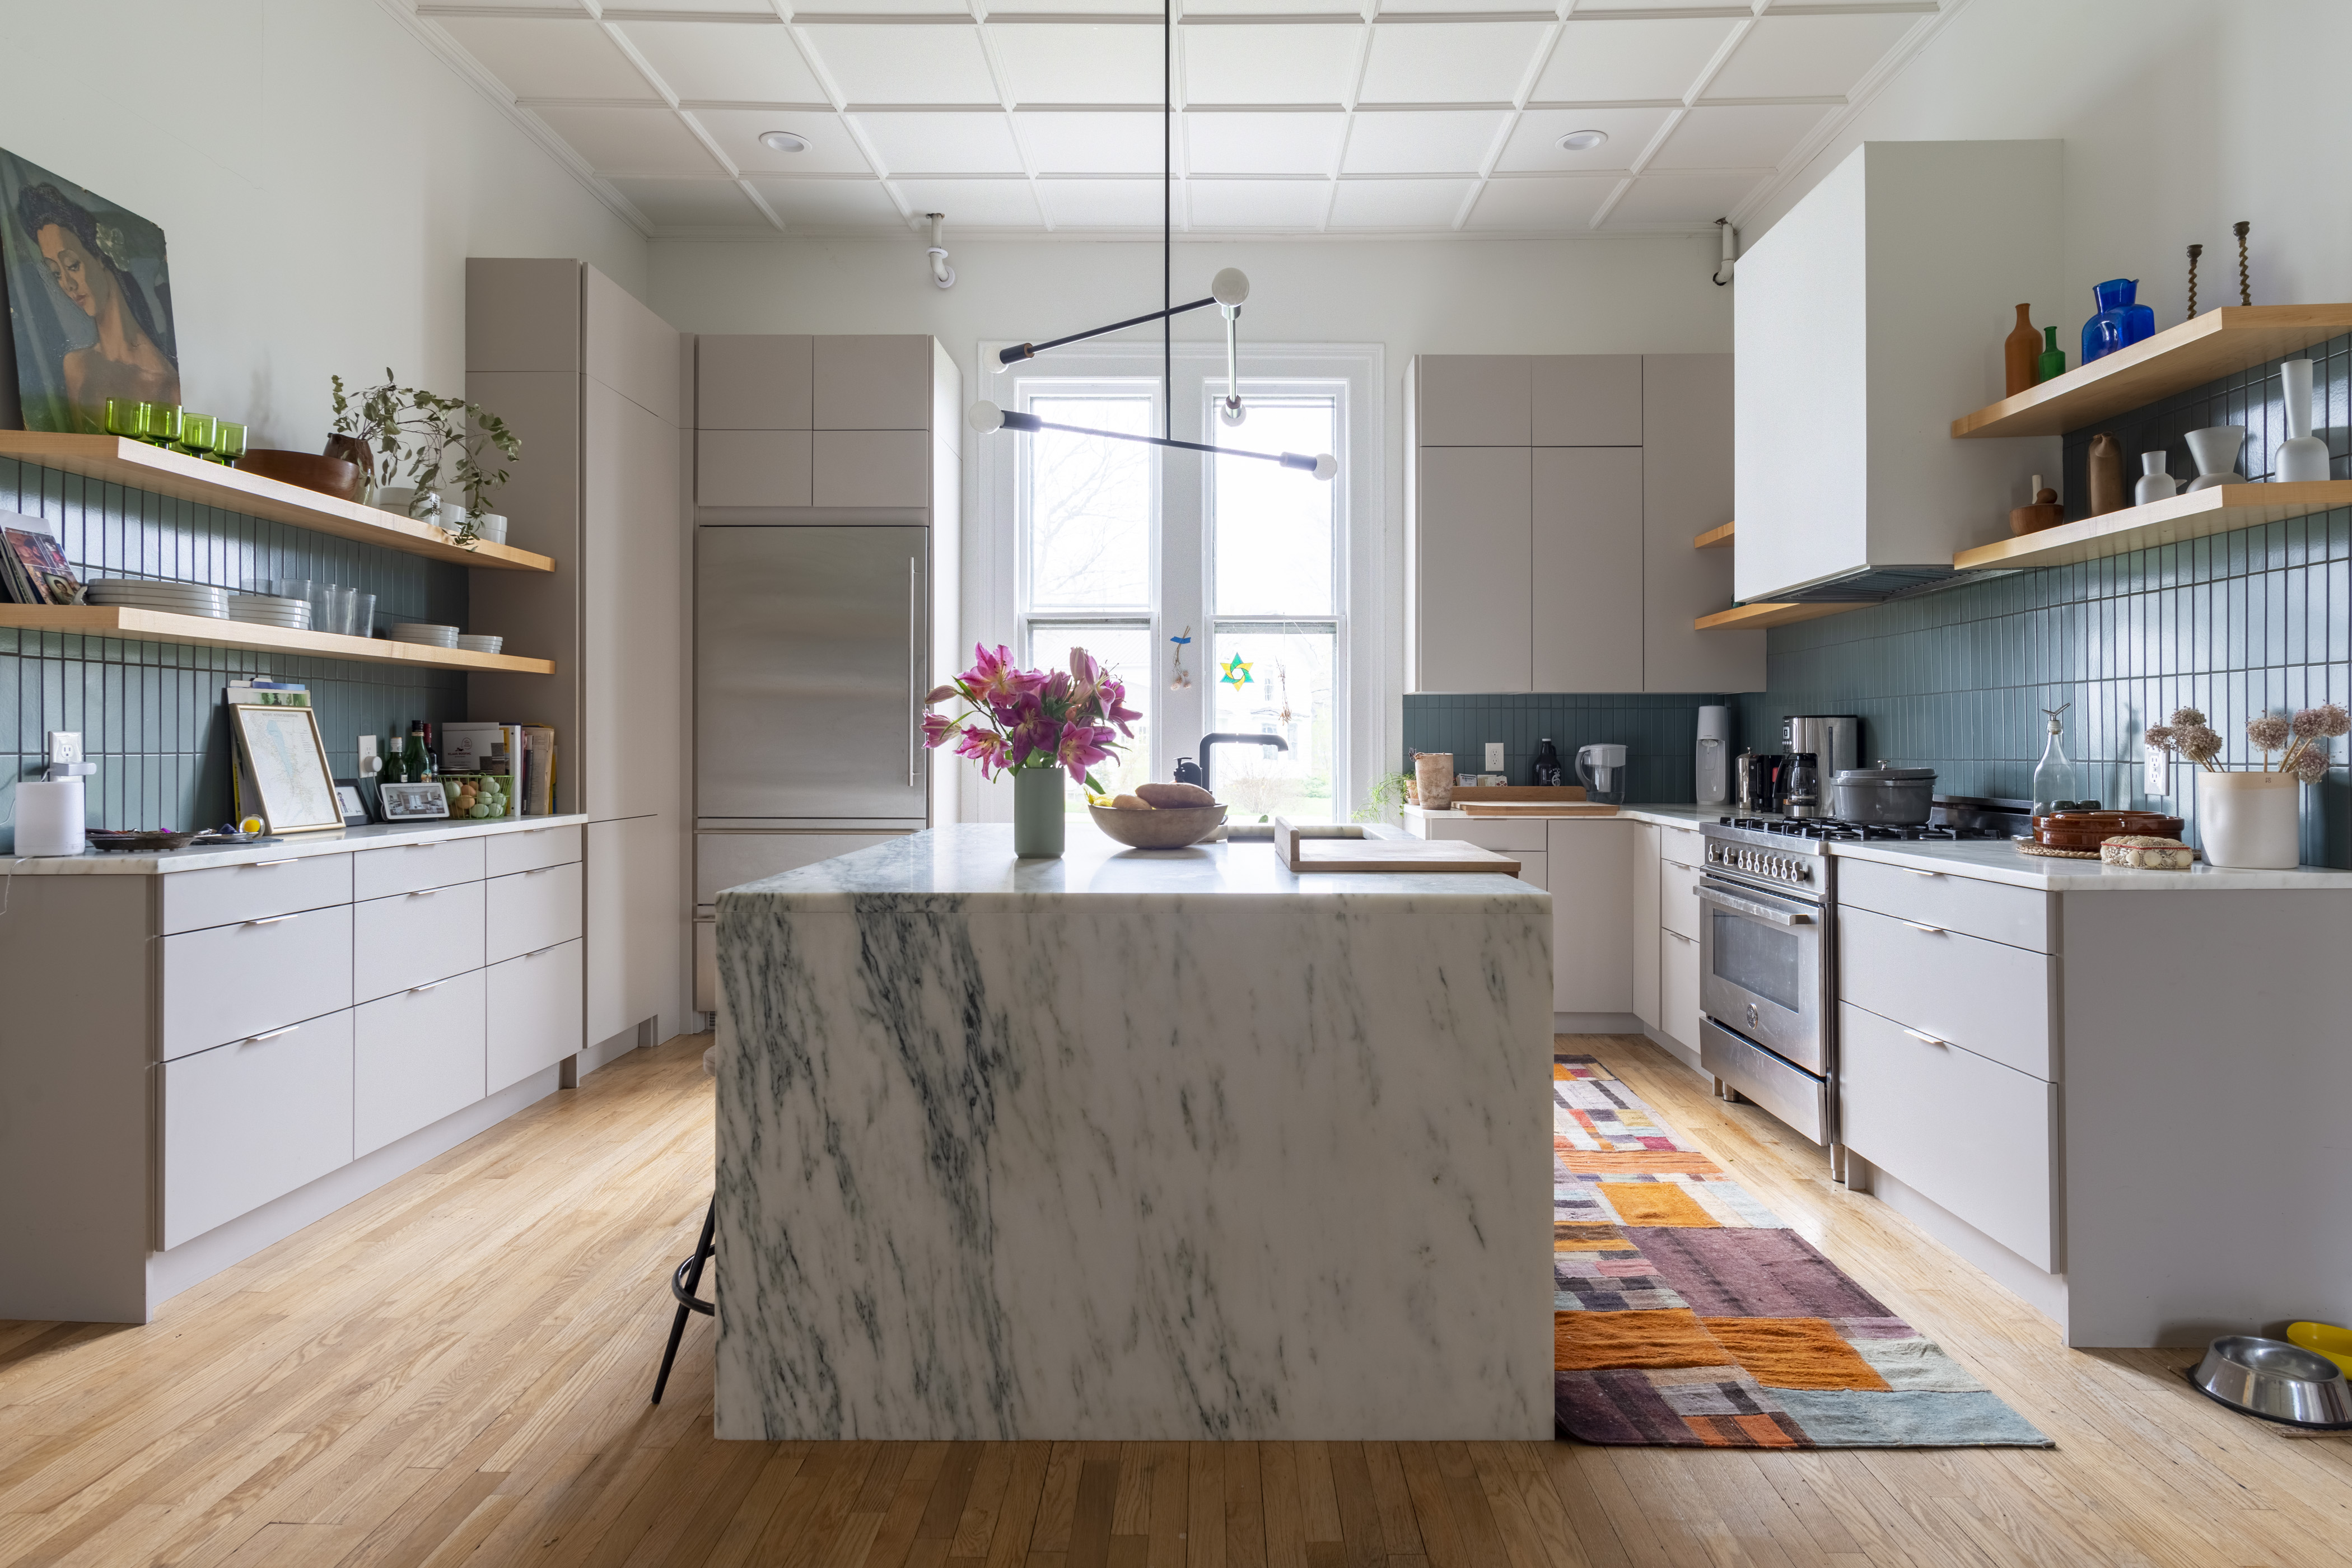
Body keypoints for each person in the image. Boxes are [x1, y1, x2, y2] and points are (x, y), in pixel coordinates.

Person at [15, 180, 177, 431]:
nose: (67, 284)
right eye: (56, 273)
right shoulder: (77, 366)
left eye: (72, 265)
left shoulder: (170, 384)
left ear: (101, 255)